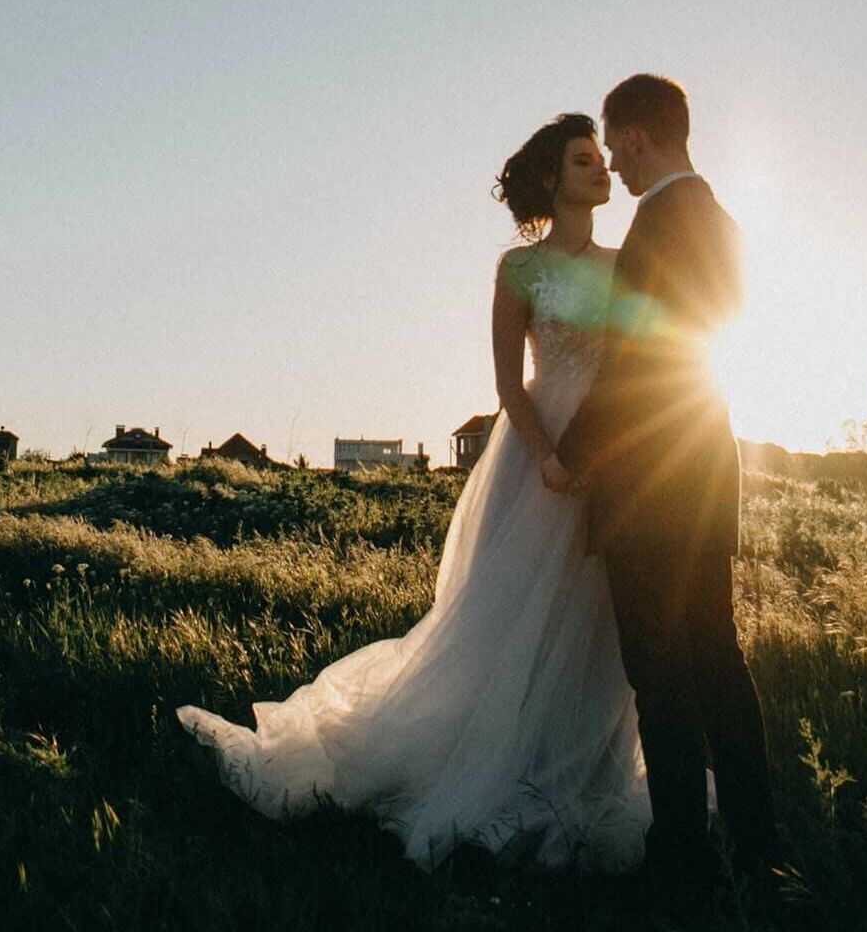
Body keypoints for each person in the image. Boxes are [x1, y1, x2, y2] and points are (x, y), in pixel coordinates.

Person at [173, 113, 649, 872]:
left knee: (598, 621)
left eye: (601, 157)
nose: (601, 169)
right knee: (510, 624)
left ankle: (576, 771)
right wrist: (549, 459)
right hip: (538, 465)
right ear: (552, 180)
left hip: (613, 451)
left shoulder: (629, 263)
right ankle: (492, 766)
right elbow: (507, 384)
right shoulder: (518, 271)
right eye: (584, 160)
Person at [548, 73, 781, 883]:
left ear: (639, 136)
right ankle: (757, 847)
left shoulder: (655, 223)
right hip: (707, 470)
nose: (614, 160)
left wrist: (570, 454)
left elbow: (635, 364)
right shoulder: (722, 221)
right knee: (718, 662)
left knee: (660, 678)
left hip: (651, 487)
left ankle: (680, 854)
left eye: (615, 144)